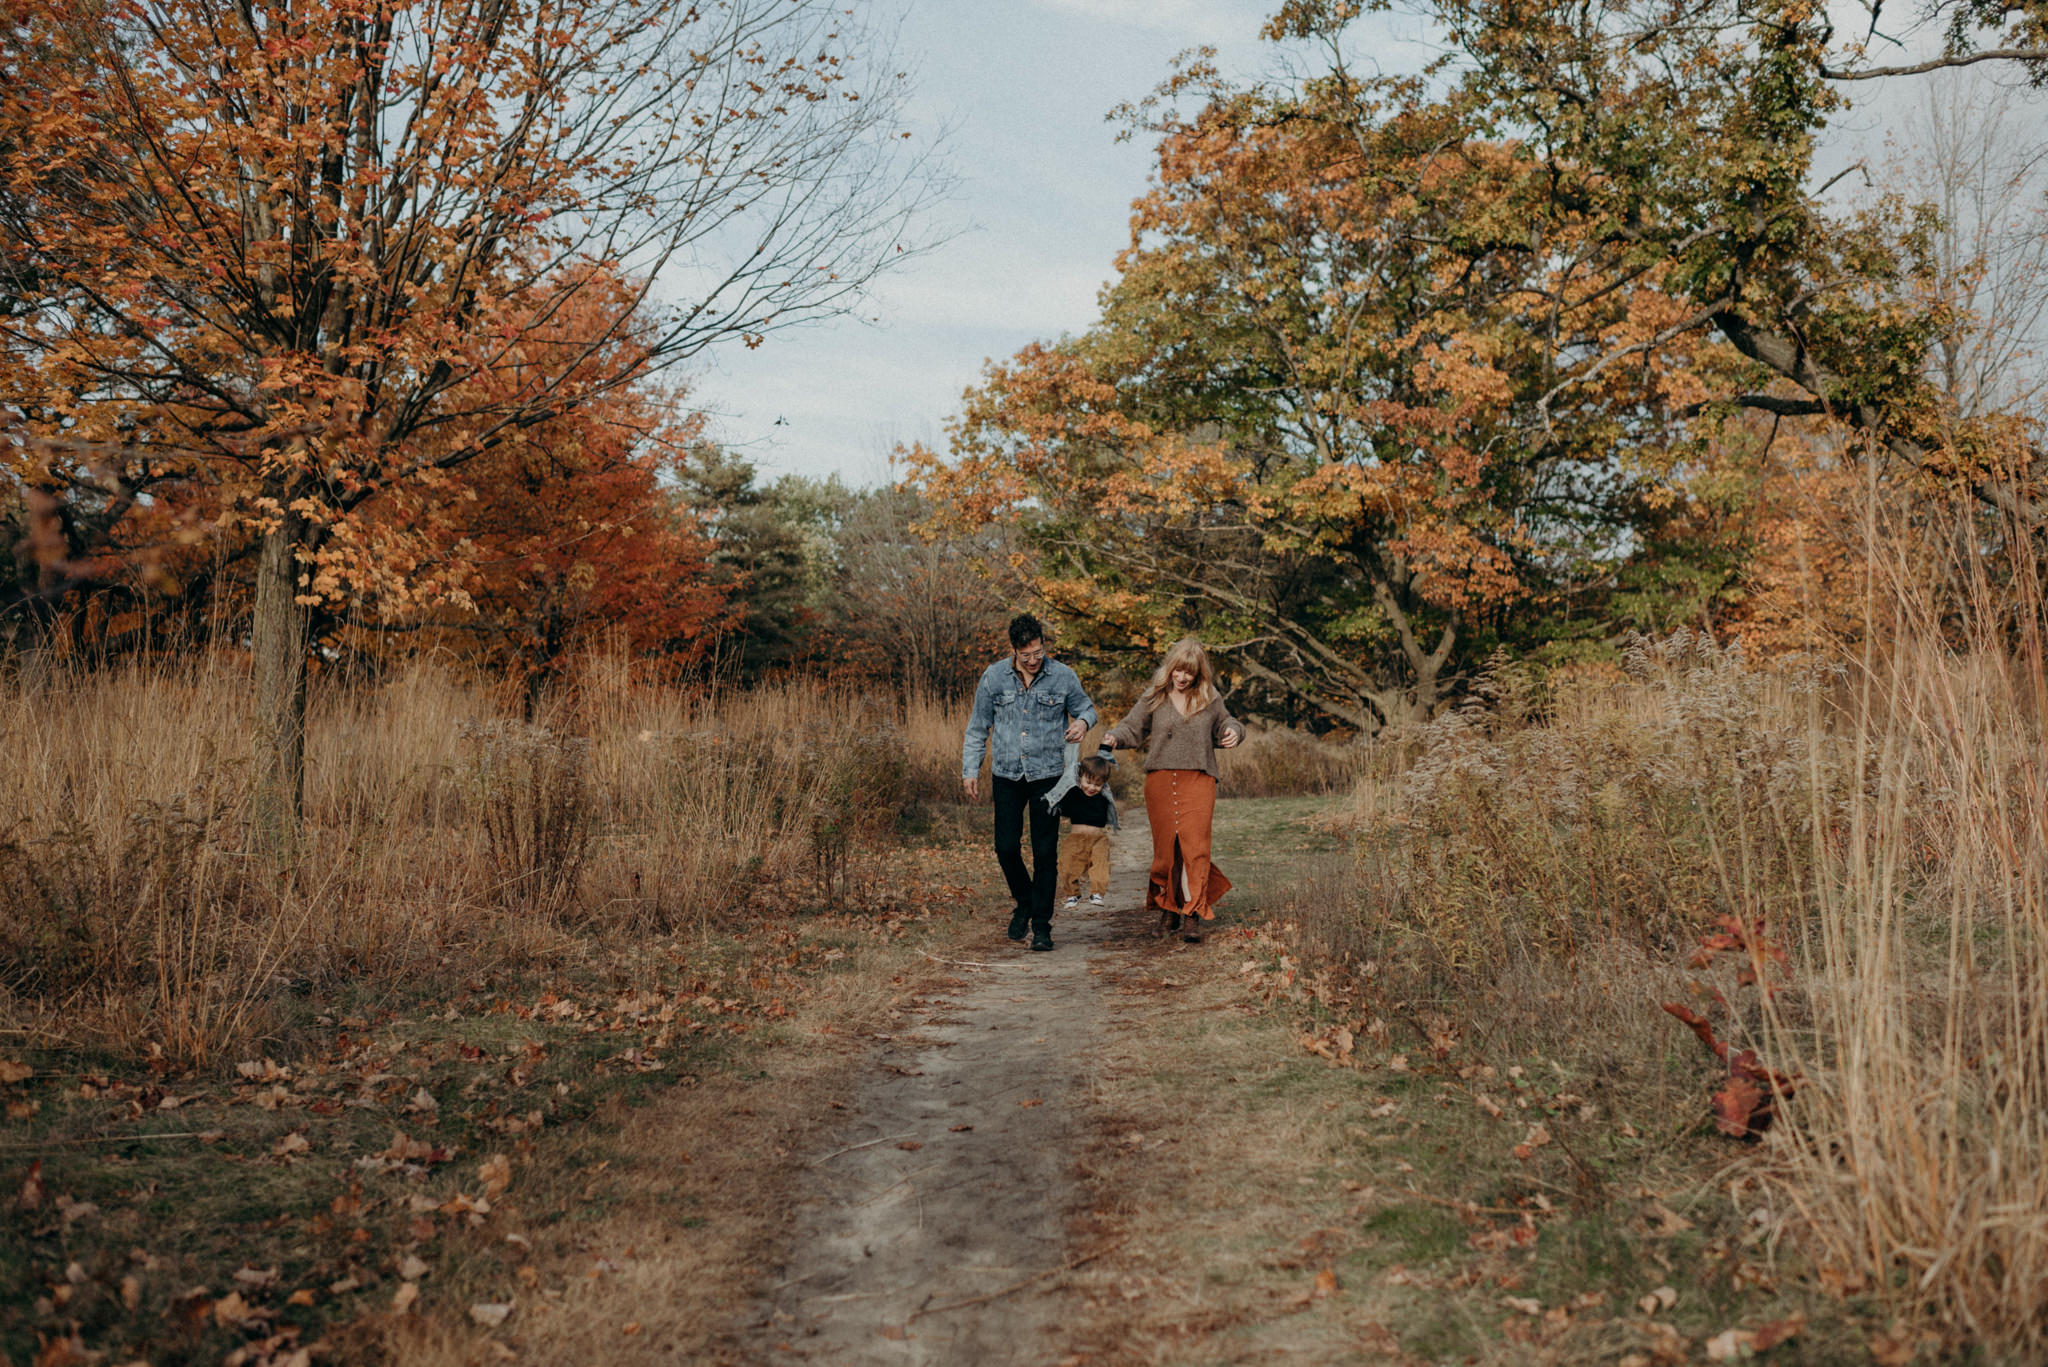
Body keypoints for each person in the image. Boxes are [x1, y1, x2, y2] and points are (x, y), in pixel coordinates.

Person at [961, 614, 1097, 951]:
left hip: (1048, 776)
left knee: (1044, 853)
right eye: (1027, 655)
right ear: (1014, 651)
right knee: (1005, 847)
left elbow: (1087, 709)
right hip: (1006, 774)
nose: (1034, 660)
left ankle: (1041, 926)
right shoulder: (993, 678)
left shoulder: (1063, 676)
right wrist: (970, 769)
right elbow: (978, 727)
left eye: (1038, 652)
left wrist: (1081, 723)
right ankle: (1024, 901)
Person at [1103, 635, 1243, 942]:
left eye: (1189, 672)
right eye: (1178, 670)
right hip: (1161, 781)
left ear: (1198, 673)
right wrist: (1114, 737)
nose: (1182, 677)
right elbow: (1131, 726)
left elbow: (1228, 722)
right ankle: (1169, 907)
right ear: (1170, 669)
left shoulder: (1209, 696)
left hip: (1198, 780)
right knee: (1167, 851)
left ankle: (1192, 913)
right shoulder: (1155, 696)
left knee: (1195, 847)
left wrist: (1234, 731)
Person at [1053, 755, 1117, 909]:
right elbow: (1063, 789)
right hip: (1075, 838)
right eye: (1088, 782)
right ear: (1080, 777)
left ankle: (1097, 893)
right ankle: (1072, 894)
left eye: (1097, 784)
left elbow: (1110, 808)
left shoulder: (1103, 796)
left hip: (1098, 838)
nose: (1091, 787)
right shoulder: (1074, 793)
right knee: (1067, 867)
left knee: (1100, 866)